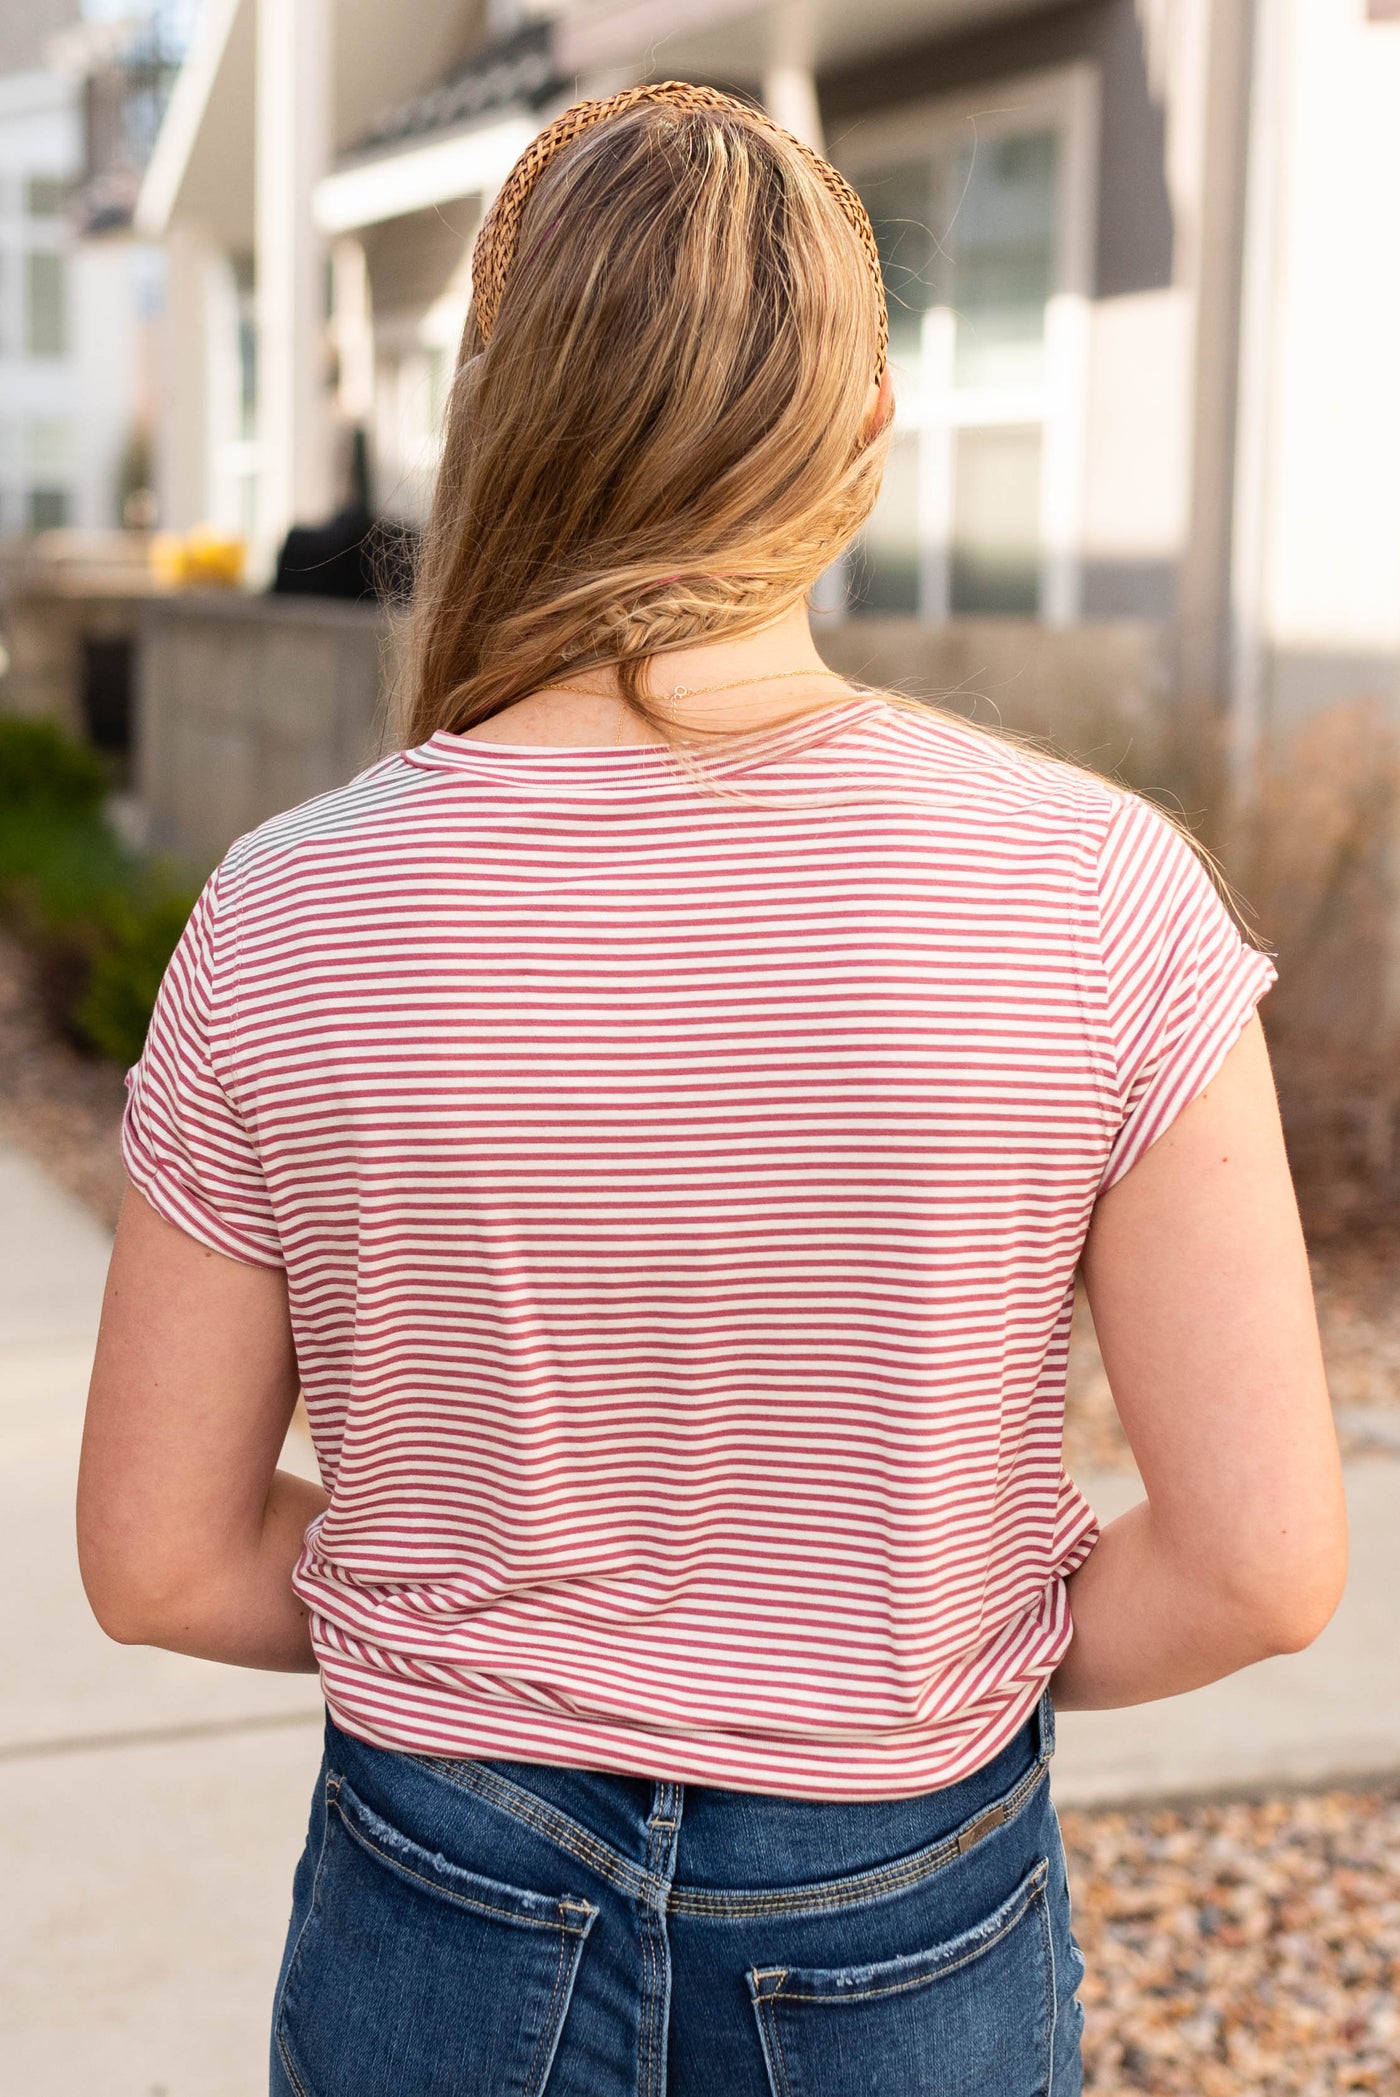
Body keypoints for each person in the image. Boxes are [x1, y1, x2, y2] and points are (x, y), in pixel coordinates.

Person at [76, 81, 1347, 2097]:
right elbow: (1263, 1562)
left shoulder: (287, 910)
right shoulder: (1096, 892)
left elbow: (160, 1556)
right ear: (862, 430)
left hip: (441, 1882)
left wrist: (486, 1626)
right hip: (903, 1893)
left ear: (493, 416)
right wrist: (922, 1680)